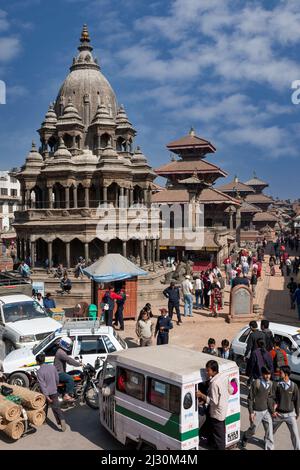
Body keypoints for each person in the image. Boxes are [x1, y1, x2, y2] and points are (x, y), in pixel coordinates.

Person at [196, 360, 229, 450]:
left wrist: (201, 395)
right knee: (215, 433)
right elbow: (230, 389)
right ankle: (211, 444)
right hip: (222, 410)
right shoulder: (223, 377)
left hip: (217, 413)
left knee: (219, 438)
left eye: (208, 371)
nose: (207, 372)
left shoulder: (214, 383)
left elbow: (214, 401)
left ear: (214, 371)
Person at [241, 366, 275, 450]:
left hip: (266, 411)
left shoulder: (270, 384)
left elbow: (270, 397)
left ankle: (270, 447)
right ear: (262, 374)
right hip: (257, 411)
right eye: (266, 374)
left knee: (269, 431)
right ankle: (245, 436)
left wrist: (272, 409)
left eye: (269, 374)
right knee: (253, 431)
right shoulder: (257, 383)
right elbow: (250, 398)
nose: (268, 376)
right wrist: (251, 412)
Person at [36, 352, 66, 432]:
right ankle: (62, 421)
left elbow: (42, 386)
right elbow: (57, 379)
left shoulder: (39, 372)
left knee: (44, 406)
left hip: (46, 393)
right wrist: (55, 386)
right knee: (56, 408)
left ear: (38, 362)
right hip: (54, 390)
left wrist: (47, 397)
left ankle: (44, 420)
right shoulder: (52, 367)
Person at [273, 365, 300, 450]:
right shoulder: (277, 385)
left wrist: (298, 413)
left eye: (281, 372)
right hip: (278, 414)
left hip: (290, 415)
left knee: (295, 434)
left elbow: (297, 400)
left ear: (286, 374)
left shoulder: (294, 386)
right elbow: (273, 398)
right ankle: (267, 441)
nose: (279, 374)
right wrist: (273, 409)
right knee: (270, 431)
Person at [54, 337, 81, 402]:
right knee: (70, 379)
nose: (69, 346)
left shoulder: (61, 351)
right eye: (68, 345)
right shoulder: (61, 352)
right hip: (59, 373)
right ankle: (66, 395)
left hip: (60, 372)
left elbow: (68, 361)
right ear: (65, 344)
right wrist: (78, 364)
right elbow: (69, 360)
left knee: (74, 374)